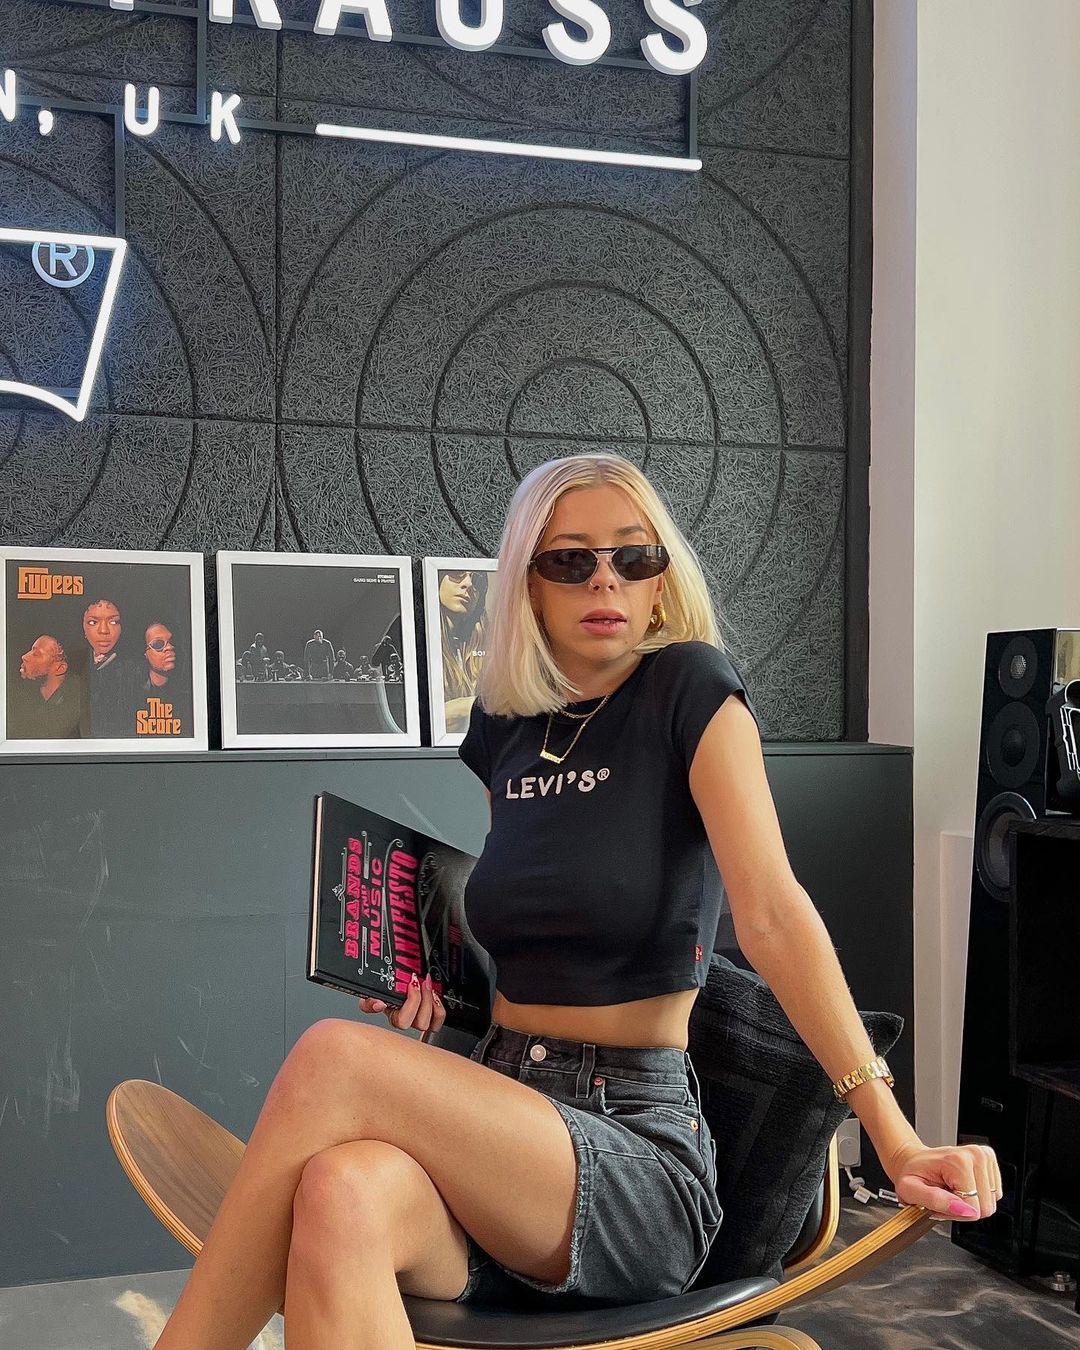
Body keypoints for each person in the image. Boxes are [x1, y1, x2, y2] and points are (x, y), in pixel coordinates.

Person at [152, 454, 1001, 1348]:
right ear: (528, 583)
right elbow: (537, 931)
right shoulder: (507, 726)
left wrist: (895, 1139)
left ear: (661, 578)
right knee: (341, 1191)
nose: (605, 579)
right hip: (502, 1118)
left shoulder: (691, 690)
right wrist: (441, 990)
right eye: (570, 560)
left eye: (634, 557)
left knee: (334, 1058)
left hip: (633, 1148)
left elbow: (774, 914)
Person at [438, 568, 489, 733]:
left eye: (477, 580)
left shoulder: (485, 645)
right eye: (457, 573)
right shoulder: (412, 635)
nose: (468, 584)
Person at [9, 634, 87, 739]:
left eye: (36, 654)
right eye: (30, 651)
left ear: (60, 668)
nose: (24, 657)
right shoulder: (24, 699)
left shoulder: (77, 705)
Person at [81, 598, 138, 737]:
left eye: (113, 622)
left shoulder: (136, 670)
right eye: (93, 622)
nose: (103, 631)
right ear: (83, 627)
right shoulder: (72, 664)